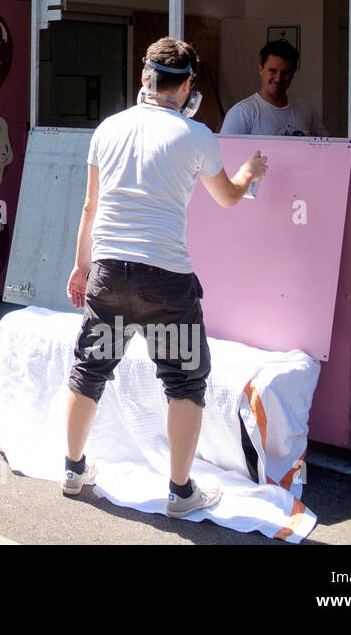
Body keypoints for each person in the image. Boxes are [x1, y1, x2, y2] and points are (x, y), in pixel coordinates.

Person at [63, 37, 268, 519]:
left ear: (144, 79)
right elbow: (229, 198)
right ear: (189, 86)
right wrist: (248, 172)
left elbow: (91, 207)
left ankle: (73, 470)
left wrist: (81, 266)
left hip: (108, 273)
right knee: (183, 380)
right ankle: (180, 493)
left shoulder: (107, 130)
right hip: (166, 281)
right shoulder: (195, 135)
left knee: (89, 370)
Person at [220, 39, 327, 137]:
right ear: (260, 70)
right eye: (272, 71)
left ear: (293, 74)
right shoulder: (242, 112)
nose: (278, 78)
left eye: (285, 72)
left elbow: (326, 148)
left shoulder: (306, 110)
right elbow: (224, 155)